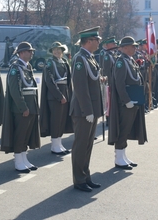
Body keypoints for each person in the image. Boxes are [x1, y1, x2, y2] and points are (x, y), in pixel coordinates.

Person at [70, 27, 103, 192]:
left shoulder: (89, 58)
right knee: (81, 146)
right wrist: (87, 111)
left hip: (91, 110)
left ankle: (85, 176)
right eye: (97, 40)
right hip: (83, 111)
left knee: (88, 145)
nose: (98, 42)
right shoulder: (80, 59)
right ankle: (79, 179)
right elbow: (80, 88)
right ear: (89, 41)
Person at [108, 36, 148, 170]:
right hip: (126, 103)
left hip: (133, 101)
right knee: (123, 129)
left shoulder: (129, 60)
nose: (135, 48)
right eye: (132, 46)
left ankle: (123, 156)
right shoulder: (121, 62)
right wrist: (127, 100)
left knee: (128, 129)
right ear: (124, 48)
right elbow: (119, 84)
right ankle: (119, 158)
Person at [0, 41, 40, 173]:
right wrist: (23, 107)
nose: (31, 53)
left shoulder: (27, 66)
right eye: (29, 51)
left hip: (31, 105)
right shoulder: (15, 68)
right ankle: (18, 161)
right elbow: (14, 90)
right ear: (21, 53)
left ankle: (24, 159)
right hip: (21, 108)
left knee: (26, 135)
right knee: (20, 134)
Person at [39, 41, 73, 155]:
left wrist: (67, 95)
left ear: (62, 51)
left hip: (64, 93)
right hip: (55, 96)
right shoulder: (50, 63)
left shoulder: (64, 62)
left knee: (62, 120)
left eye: (59, 49)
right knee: (56, 121)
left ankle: (59, 143)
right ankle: (54, 145)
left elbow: (68, 80)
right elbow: (50, 82)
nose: (57, 51)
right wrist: (59, 96)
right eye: (54, 50)